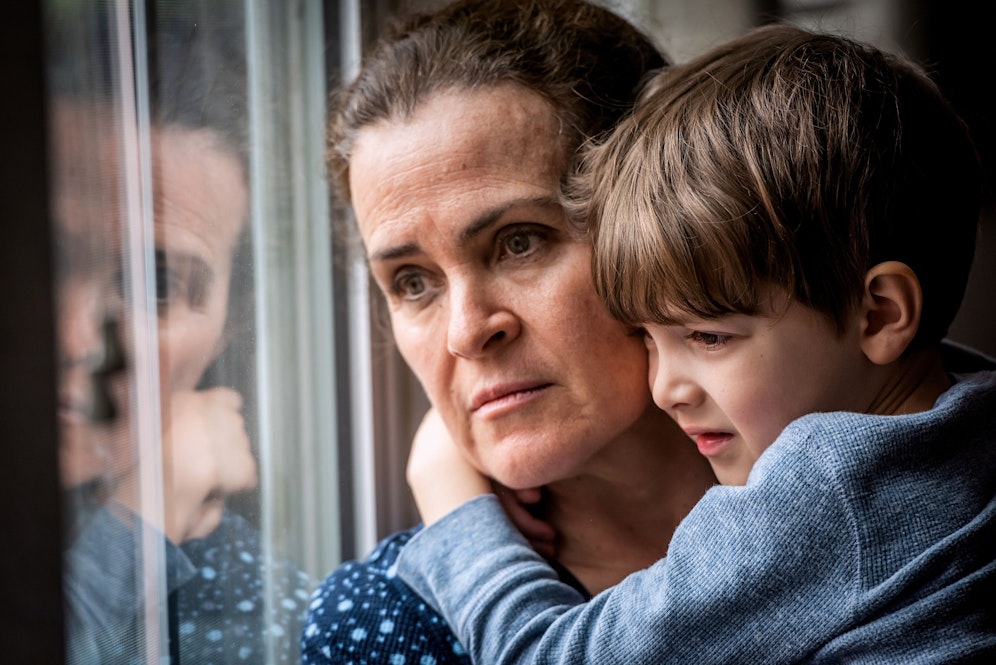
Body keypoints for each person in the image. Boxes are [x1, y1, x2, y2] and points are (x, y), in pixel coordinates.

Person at [395, 23, 996, 663]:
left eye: (708, 336)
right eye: (647, 338)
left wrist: (454, 504)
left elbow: (546, 656)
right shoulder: (970, 420)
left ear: (879, 315)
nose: (667, 389)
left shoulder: (829, 495)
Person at [300, 1, 717, 662]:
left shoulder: (886, 500)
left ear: (663, 226)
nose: (467, 332)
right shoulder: (387, 619)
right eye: (413, 282)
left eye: (519, 242)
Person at [52, 9, 310, 664]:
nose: (75, 335)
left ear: (231, 323)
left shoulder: (259, 613)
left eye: (158, 284)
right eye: (48, 253)